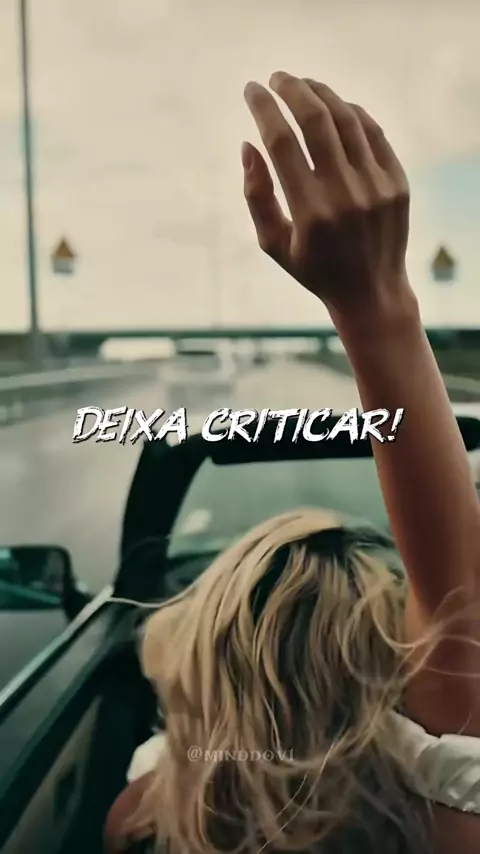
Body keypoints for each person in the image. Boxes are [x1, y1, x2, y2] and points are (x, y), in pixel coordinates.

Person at [104, 74, 480, 854]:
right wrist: (375, 299)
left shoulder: (138, 821)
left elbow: (459, 605)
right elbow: (455, 606)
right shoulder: (448, 822)